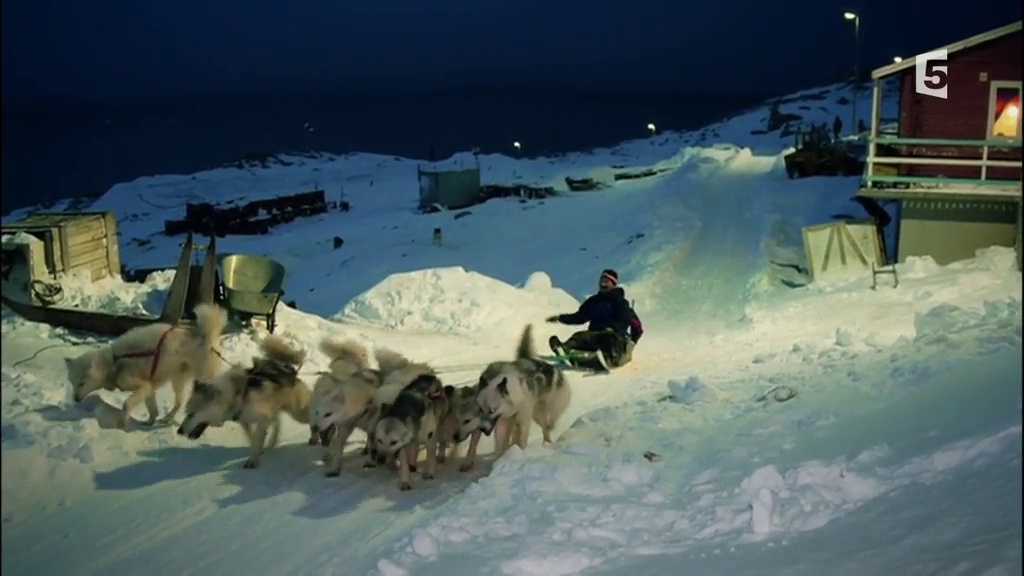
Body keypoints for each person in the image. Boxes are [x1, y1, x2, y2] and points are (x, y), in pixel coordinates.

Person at [545, 269, 644, 370]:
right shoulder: (593, 302)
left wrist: (632, 343)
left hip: (614, 337)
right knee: (580, 336)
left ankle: (612, 357)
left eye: (606, 282)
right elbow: (579, 317)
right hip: (595, 336)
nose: (603, 284)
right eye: (601, 281)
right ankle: (565, 350)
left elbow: (637, 326)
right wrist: (560, 318)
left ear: (613, 284)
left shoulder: (621, 303)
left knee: (611, 338)